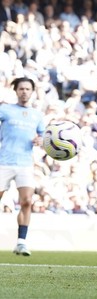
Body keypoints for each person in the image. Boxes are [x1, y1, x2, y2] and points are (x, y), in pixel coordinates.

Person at [0, 77, 45, 256]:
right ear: (16, 91)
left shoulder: (37, 115)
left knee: (26, 201)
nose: (24, 91)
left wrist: (40, 140)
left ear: (32, 92)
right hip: (4, 161)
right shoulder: (5, 110)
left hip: (25, 163)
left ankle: (21, 242)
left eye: (27, 89)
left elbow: (43, 136)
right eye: (21, 89)